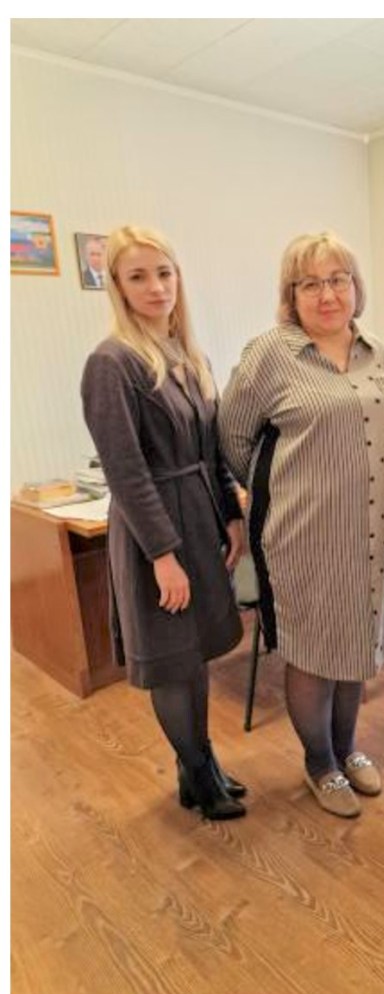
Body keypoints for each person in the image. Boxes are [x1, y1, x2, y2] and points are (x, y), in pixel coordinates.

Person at [219, 232, 384, 819]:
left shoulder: (376, 351)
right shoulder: (272, 354)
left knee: (355, 646)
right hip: (303, 538)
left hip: (370, 535)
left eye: (338, 279)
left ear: (355, 286)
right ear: (290, 295)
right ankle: (320, 763)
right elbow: (232, 438)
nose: (328, 294)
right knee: (313, 652)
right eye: (311, 284)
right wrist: (287, 490)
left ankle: (347, 749)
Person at [81, 225, 248, 821]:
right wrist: (162, 555)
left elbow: (213, 449)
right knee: (173, 660)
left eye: (164, 272)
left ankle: (199, 766)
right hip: (155, 533)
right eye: (138, 276)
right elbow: (125, 473)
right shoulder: (111, 363)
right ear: (118, 287)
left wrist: (231, 516)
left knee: (195, 652)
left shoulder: (187, 355)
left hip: (200, 520)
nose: (156, 287)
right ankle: (200, 775)